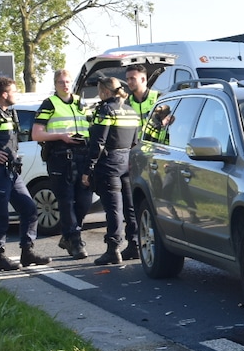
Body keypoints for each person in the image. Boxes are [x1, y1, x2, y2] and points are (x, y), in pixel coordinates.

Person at [0, 76, 51, 271]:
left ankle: (27, 252)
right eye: (14, 91)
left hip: (12, 172)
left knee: (29, 209)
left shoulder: (8, 113)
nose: (16, 94)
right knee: (0, 216)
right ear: (4, 93)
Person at [31, 69, 92, 259]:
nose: (65, 85)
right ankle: (75, 241)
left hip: (82, 156)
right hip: (60, 157)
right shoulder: (50, 103)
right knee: (66, 202)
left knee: (84, 201)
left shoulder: (80, 102)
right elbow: (36, 134)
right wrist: (61, 136)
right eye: (61, 82)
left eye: (67, 81)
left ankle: (67, 236)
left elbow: (91, 126)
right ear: (55, 84)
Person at [83, 77, 140, 265]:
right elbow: (135, 141)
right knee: (130, 207)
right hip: (127, 161)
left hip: (109, 163)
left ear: (105, 92)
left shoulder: (106, 110)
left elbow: (98, 142)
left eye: (100, 91)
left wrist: (88, 168)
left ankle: (113, 249)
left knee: (113, 208)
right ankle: (134, 244)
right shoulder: (131, 111)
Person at [118, 63, 158, 260]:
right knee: (132, 203)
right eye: (128, 79)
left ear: (143, 79)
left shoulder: (159, 99)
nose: (129, 82)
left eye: (133, 78)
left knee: (157, 203)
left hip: (157, 157)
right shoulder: (126, 104)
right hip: (133, 159)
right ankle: (134, 242)